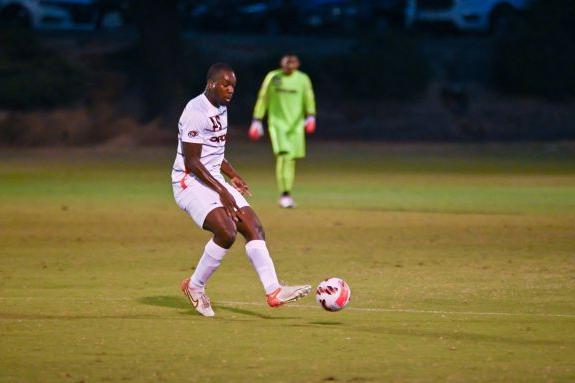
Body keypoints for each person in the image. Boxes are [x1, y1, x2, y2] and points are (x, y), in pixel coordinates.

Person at [172, 63, 311, 317]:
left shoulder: (222, 108)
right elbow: (192, 162)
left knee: (253, 226)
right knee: (226, 231)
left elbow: (214, 153)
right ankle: (195, 286)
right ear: (211, 83)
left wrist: (232, 175)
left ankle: (274, 290)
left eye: (233, 85)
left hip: (211, 178)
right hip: (188, 181)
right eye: (225, 84)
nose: (230, 90)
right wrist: (222, 191)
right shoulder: (195, 110)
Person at [249, 54, 316, 208]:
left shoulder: (302, 79)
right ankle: (284, 194)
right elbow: (263, 98)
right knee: (284, 155)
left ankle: (287, 193)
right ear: (282, 64)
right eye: (286, 63)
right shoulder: (274, 77)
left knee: (291, 159)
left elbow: (308, 96)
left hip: (296, 125)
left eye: (292, 63)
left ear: (297, 64)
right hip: (278, 123)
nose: (289, 66)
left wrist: (311, 115)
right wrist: (257, 119)